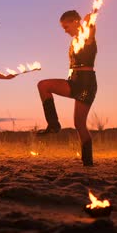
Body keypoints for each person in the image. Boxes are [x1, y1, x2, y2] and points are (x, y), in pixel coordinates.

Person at [36, 10, 97, 166]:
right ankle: (54, 124)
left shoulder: (86, 36)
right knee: (43, 85)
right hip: (75, 82)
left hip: (86, 83)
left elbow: (91, 33)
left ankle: (88, 162)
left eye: (66, 26)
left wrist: (91, 23)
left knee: (79, 124)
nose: (65, 30)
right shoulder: (75, 41)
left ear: (75, 22)